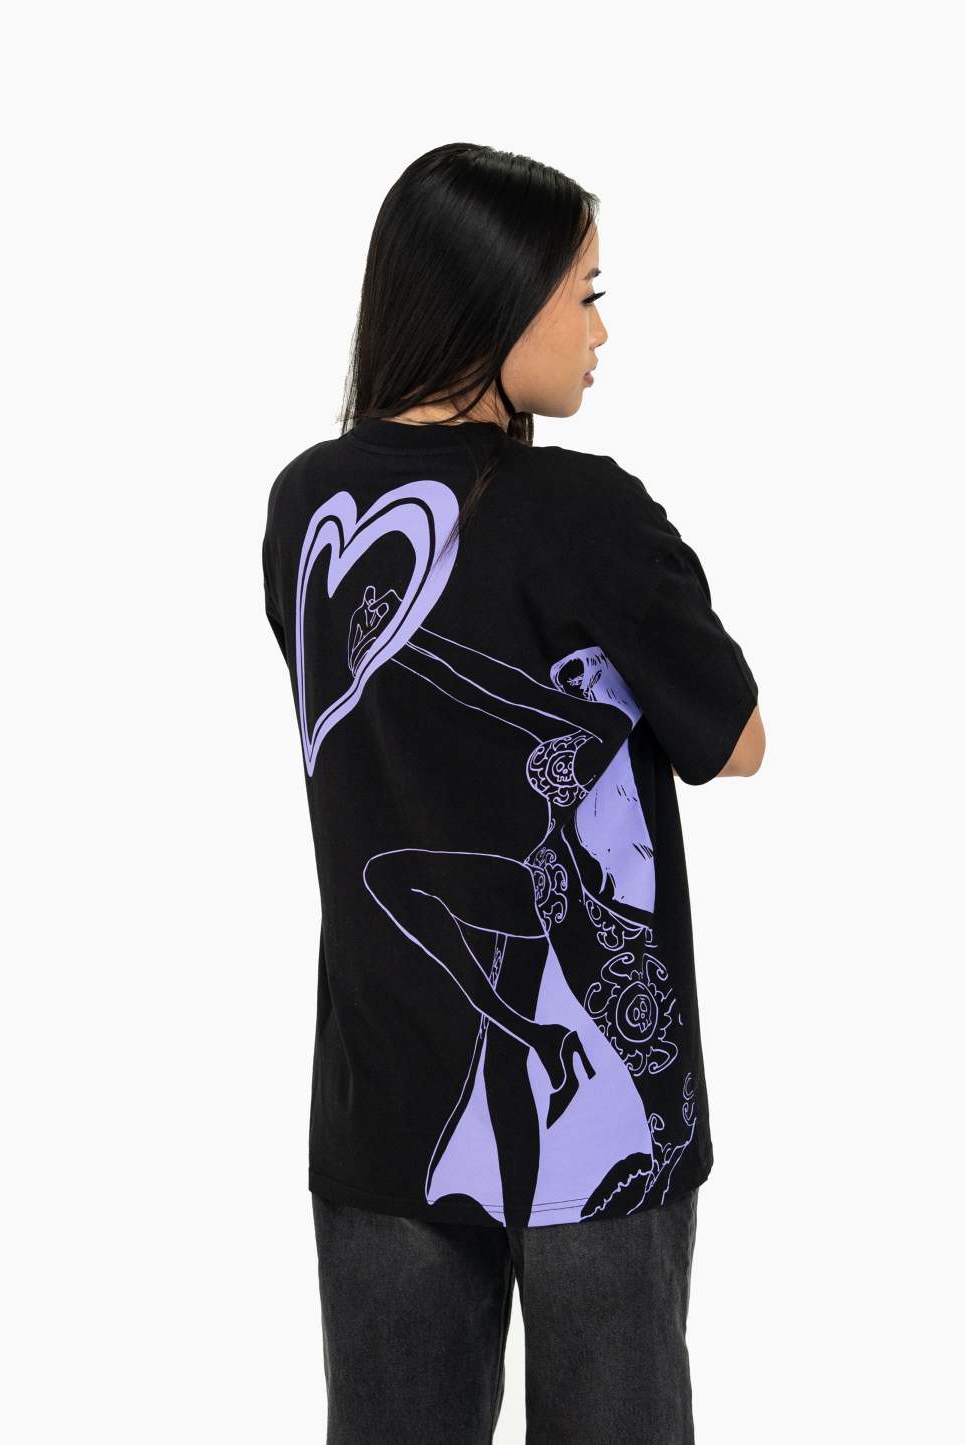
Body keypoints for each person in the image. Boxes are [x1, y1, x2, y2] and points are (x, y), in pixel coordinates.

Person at [260, 142, 765, 1443]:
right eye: (583, 293)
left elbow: (410, 711)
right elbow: (736, 738)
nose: (600, 330)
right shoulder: (581, 510)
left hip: (385, 1101)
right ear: (498, 299)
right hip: (600, 1104)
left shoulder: (305, 506)